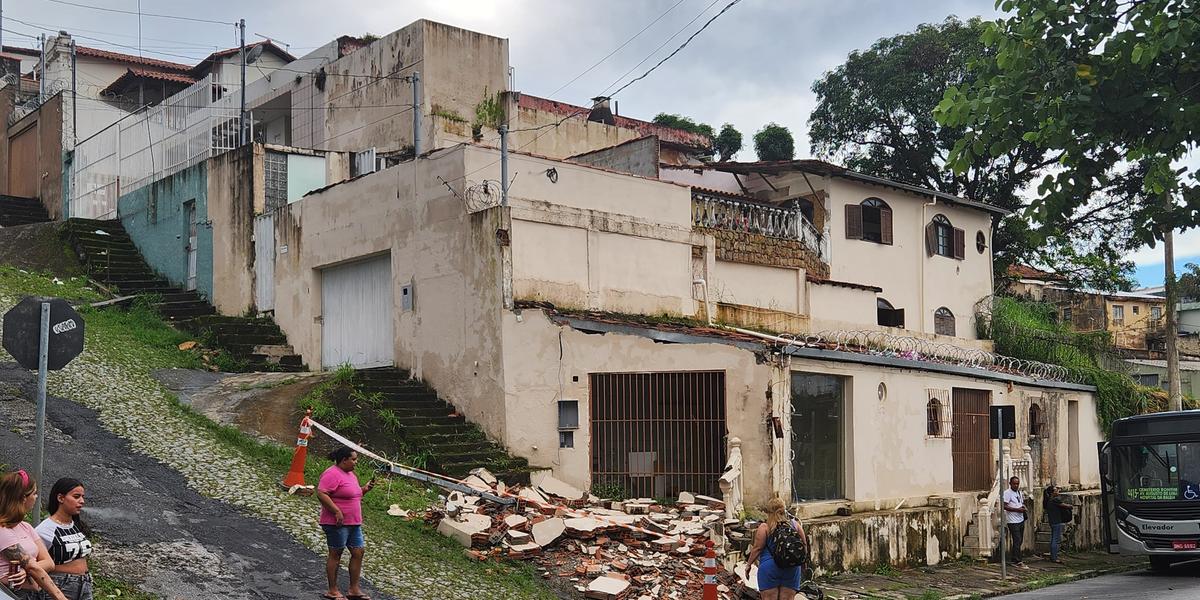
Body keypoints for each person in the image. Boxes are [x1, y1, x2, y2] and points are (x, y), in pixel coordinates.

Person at [316, 447, 376, 600]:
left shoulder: (351, 475)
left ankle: (354, 589)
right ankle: (333, 590)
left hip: (354, 523)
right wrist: (336, 511)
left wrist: (365, 489)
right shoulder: (331, 474)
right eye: (354, 459)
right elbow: (322, 493)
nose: (356, 462)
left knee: (358, 552)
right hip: (337, 523)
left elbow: (354, 494)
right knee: (336, 553)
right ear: (344, 460)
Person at [0, 470, 68, 600]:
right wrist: (61, 597)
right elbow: (33, 567)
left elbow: (49, 563)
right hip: (10, 594)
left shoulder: (26, 527)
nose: (36, 497)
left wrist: (25, 572)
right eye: (34, 493)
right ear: (23, 498)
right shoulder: (2, 530)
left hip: (34, 594)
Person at [36, 478, 94, 599]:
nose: (82, 501)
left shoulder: (77, 525)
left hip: (85, 585)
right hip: (59, 586)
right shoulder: (45, 529)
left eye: (83, 497)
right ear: (61, 498)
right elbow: (36, 563)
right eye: (76, 496)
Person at [744, 496, 808, 600]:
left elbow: (757, 549)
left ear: (768, 512)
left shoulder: (765, 527)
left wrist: (748, 565)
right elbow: (804, 545)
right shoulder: (795, 525)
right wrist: (803, 564)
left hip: (769, 568)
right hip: (791, 568)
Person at [1002, 476, 1027, 566]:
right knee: (1017, 539)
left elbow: (1019, 503)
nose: (1016, 485)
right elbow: (1004, 506)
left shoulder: (1019, 492)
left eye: (1017, 484)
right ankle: (1017, 559)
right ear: (1010, 484)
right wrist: (1017, 510)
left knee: (1020, 540)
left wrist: (1022, 507)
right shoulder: (1007, 493)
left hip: (1020, 519)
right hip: (1012, 520)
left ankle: (1014, 556)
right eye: (1014, 484)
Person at [1043, 485, 1071, 564]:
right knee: (1055, 539)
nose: (1058, 491)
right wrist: (1070, 506)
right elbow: (1065, 505)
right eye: (1056, 490)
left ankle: (1053, 555)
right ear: (1052, 493)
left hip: (1052, 521)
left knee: (1054, 538)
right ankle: (1054, 557)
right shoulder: (1055, 500)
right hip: (1056, 521)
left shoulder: (1049, 500)